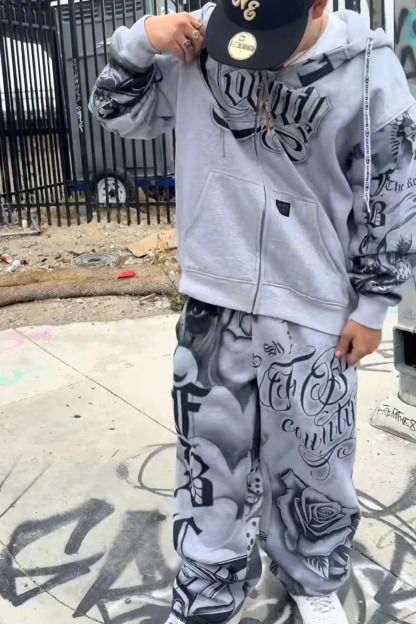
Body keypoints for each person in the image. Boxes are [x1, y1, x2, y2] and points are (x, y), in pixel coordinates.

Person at [90, 1, 416, 622]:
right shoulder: (201, 40)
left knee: (315, 460)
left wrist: (375, 304)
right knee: (209, 459)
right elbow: (117, 113)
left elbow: (393, 190)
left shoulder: (369, 67)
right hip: (215, 299)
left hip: (315, 304)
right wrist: (139, 44)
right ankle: (209, 590)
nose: (253, 48)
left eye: (273, 33)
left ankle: (312, 574)